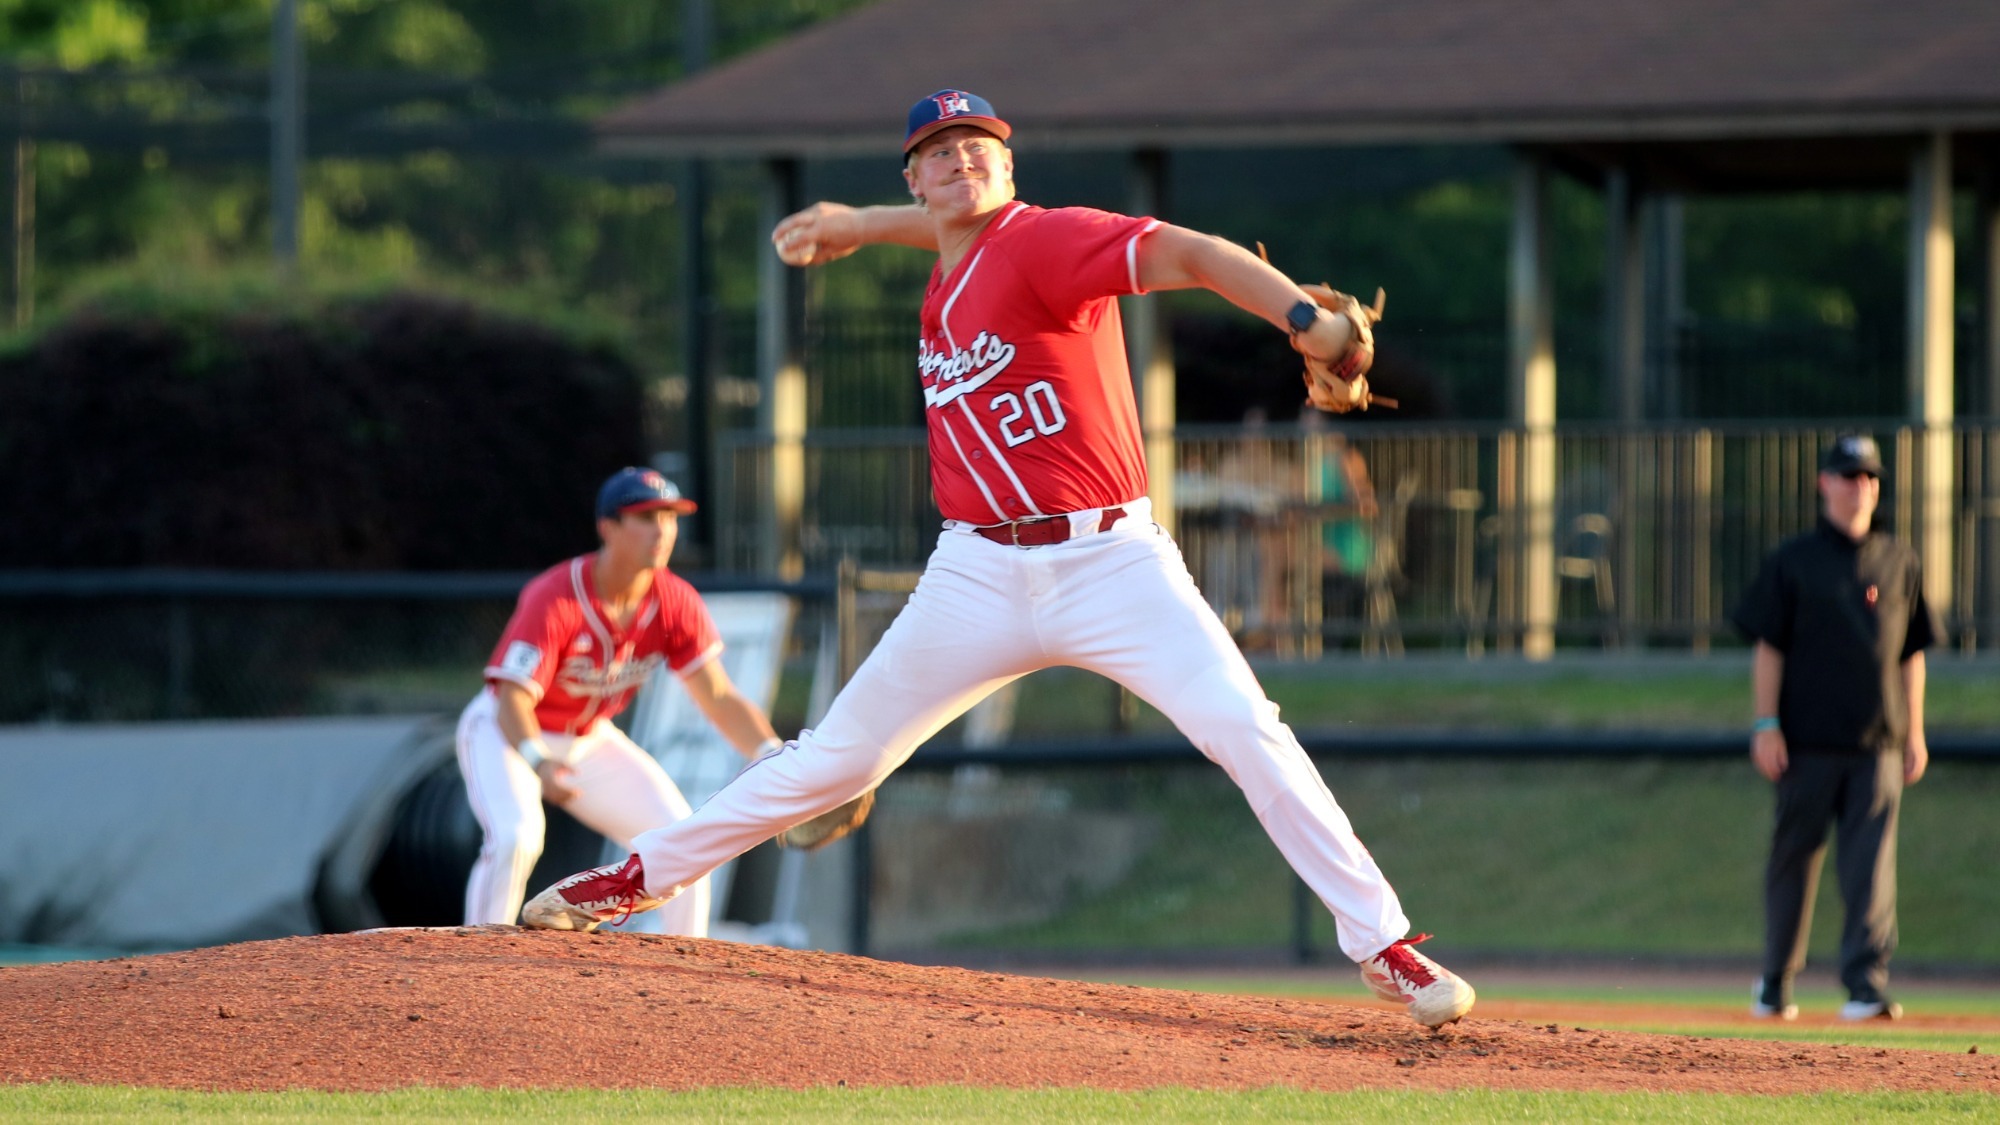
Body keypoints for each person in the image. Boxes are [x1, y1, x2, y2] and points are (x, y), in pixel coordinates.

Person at [520, 89, 1475, 1028]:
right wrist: (856, 223)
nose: (962, 160)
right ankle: (633, 877)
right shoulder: (948, 253)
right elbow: (936, 225)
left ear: (1011, 169)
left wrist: (1300, 317)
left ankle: (1383, 944)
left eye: (980, 147)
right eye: (940, 151)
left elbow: (1192, 252)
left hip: (1111, 561)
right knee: (834, 759)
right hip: (976, 571)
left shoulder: (1047, 240)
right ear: (915, 178)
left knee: (1245, 727)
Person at [458, 467, 785, 934]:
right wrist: (539, 762)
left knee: (684, 841)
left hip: (589, 740)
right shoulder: (556, 596)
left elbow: (717, 695)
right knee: (516, 836)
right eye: (645, 515)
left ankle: (685, 979)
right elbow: (511, 697)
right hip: (507, 732)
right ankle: (476, 958)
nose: (661, 529)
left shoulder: (675, 601)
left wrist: (775, 756)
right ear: (607, 527)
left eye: (670, 516)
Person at [1731, 435, 1937, 1022]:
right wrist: (1766, 724)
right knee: (1793, 860)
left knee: (1871, 868)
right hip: (1804, 742)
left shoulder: (1899, 559)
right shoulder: (1794, 560)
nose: (1860, 487)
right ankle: (1775, 981)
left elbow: (1910, 654)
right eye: (1848, 476)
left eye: (1869, 477)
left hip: (1877, 741)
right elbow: (1769, 648)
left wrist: (1914, 731)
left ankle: (1865, 985)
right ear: (1824, 483)